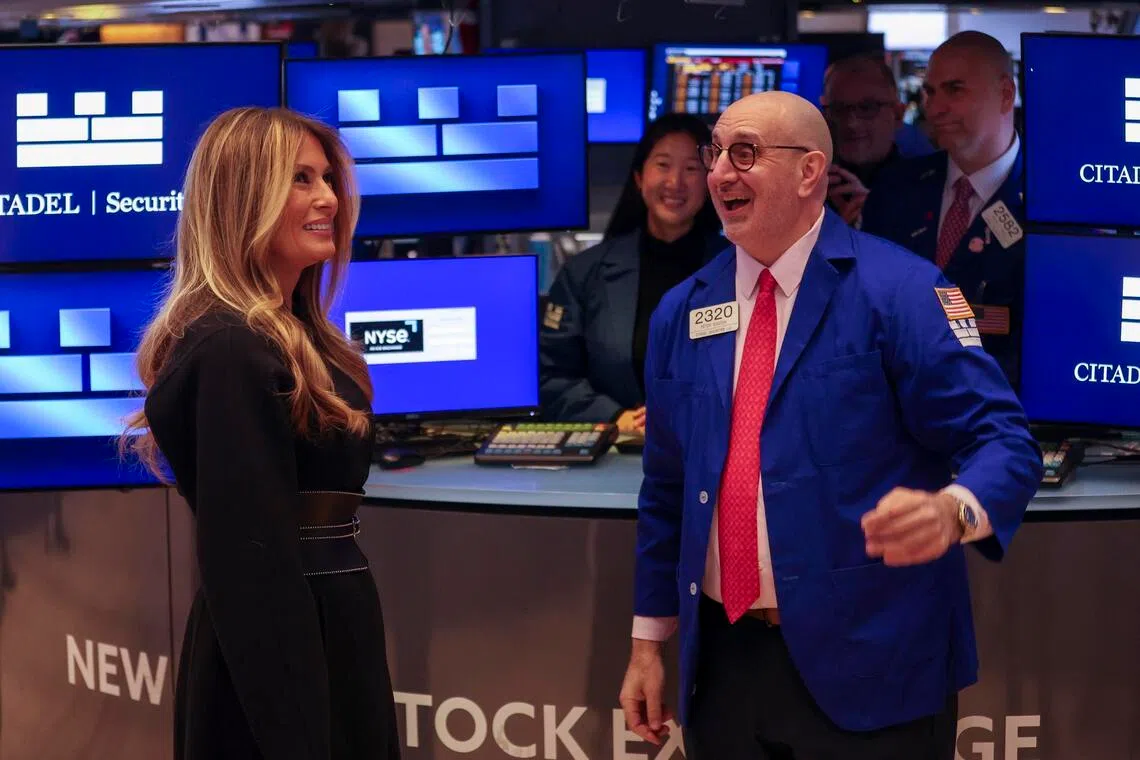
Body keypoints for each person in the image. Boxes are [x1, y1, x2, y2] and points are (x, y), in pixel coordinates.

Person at [618, 90, 1042, 759]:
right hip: (724, 668)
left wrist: (955, 512)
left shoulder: (903, 291)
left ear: (810, 171)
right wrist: (648, 642)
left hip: (874, 664)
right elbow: (667, 488)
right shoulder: (683, 310)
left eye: (746, 153)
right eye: (717, 152)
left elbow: (1004, 441)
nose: (720, 173)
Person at [121, 107, 401, 760]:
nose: (328, 198)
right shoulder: (231, 350)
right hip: (278, 658)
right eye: (301, 180)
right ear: (244, 198)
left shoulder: (297, 339)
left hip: (332, 625)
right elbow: (251, 566)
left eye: (328, 178)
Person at [539, 113, 723, 433]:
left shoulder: (739, 270)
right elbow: (551, 377)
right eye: (663, 165)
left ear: (710, 182)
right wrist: (616, 419)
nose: (675, 182)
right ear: (639, 177)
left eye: (692, 169)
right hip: (613, 451)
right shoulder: (585, 274)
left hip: (712, 450)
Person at [861, 32, 1023, 385]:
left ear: (1005, 94)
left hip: (1001, 414)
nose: (934, 108)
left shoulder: (1049, 203)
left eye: (954, 90)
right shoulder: (895, 190)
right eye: (930, 92)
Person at [820, 53, 932, 225]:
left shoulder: (930, 190)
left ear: (898, 114)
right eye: (839, 109)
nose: (852, 123)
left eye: (867, 108)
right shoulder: (806, 189)